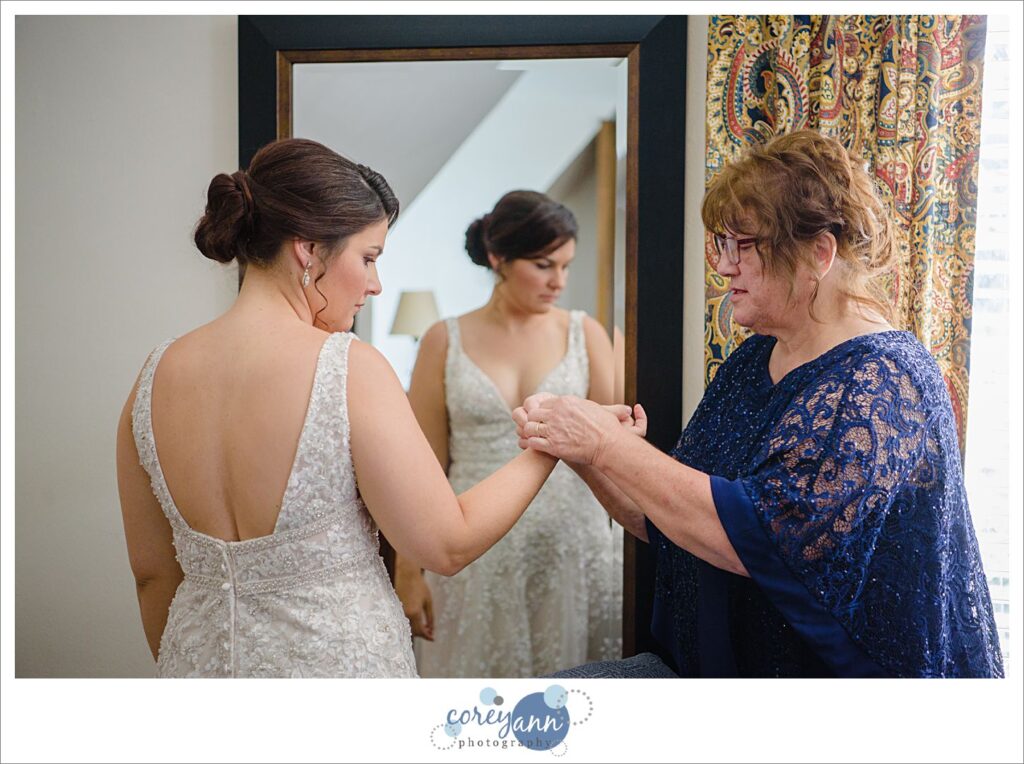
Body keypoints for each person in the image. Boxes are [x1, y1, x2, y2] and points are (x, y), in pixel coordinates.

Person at [513, 130, 1004, 678]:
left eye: (742, 246)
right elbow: (673, 519)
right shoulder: (754, 361)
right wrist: (584, 452)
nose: (723, 268)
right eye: (721, 245)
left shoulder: (884, 380)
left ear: (818, 253)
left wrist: (606, 445)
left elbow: (753, 539)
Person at [115, 139, 574, 677]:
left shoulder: (152, 376)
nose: (376, 285)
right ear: (307, 249)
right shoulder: (346, 368)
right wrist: (553, 444)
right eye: (369, 257)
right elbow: (447, 544)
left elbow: (153, 578)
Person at [394, 191, 623, 677]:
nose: (559, 282)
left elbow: (617, 452)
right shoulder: (443, 339)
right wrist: (407, 569)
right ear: (498, 258)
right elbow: (424, 467)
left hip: (570, 549)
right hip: (474, 552)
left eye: (566, 265)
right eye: (543, 265)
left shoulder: (587, 336)